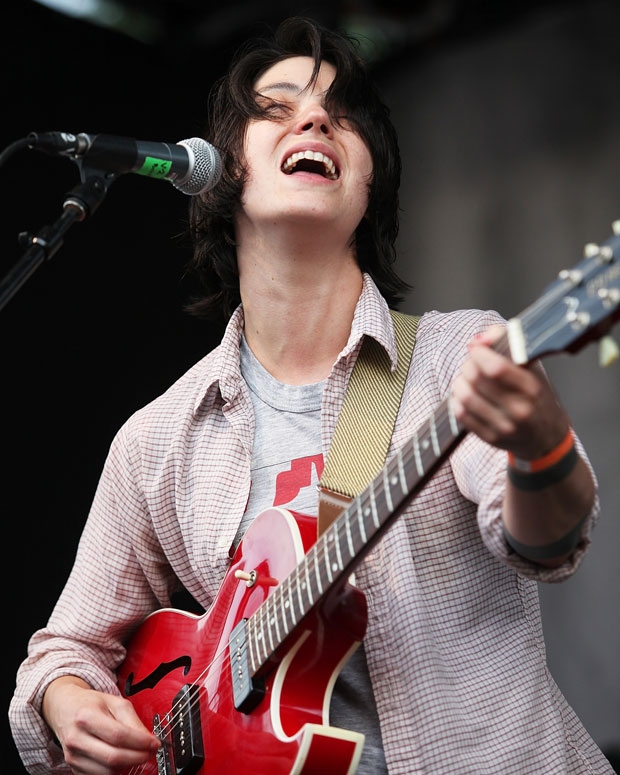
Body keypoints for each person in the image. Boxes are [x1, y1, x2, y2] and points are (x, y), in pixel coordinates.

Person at [9, 15, 615, 775]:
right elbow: (62, 652)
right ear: (225, 170)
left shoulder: (457, 356)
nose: (317, 117)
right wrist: (68, 702)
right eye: (278, 107)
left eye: (340, 113)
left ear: (369, 183)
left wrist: (542, 446)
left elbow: (548, 542)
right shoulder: (155, 439)